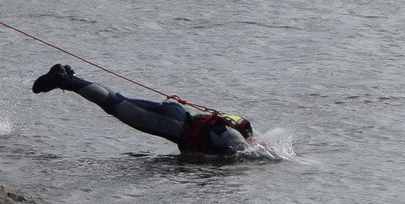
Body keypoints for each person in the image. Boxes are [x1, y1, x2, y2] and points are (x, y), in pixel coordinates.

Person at [32, 63, 255, 155]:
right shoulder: (234, 138)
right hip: (174, 124)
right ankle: (64, 79)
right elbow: (251, 156)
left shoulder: (235, 130)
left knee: (119, 102)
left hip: (177, 115)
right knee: (116, 104)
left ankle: (70, 79)